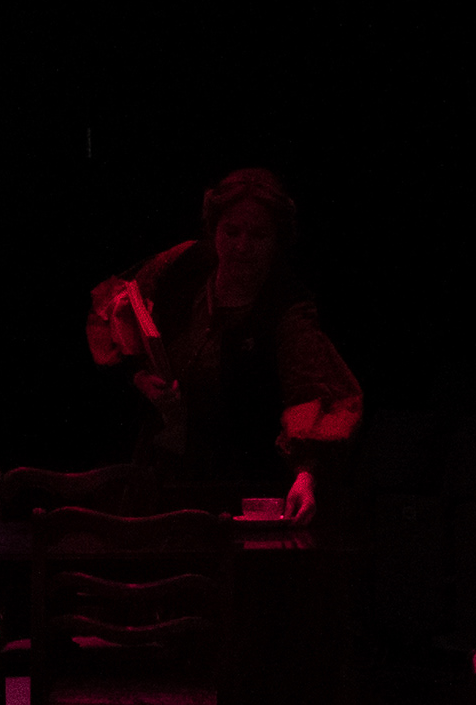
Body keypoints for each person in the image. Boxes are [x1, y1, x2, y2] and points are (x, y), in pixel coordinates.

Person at [85, 167, 364, 512]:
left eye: (258, 235)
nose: (242, 246)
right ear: (214, 229)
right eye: (231, 232)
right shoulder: (184, 264)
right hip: (159, 473)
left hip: (238, 484)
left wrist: (306, 474)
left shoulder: (287, 306)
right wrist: (139, 375)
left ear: (277, 240)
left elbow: (311, 391)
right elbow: (115, 307)